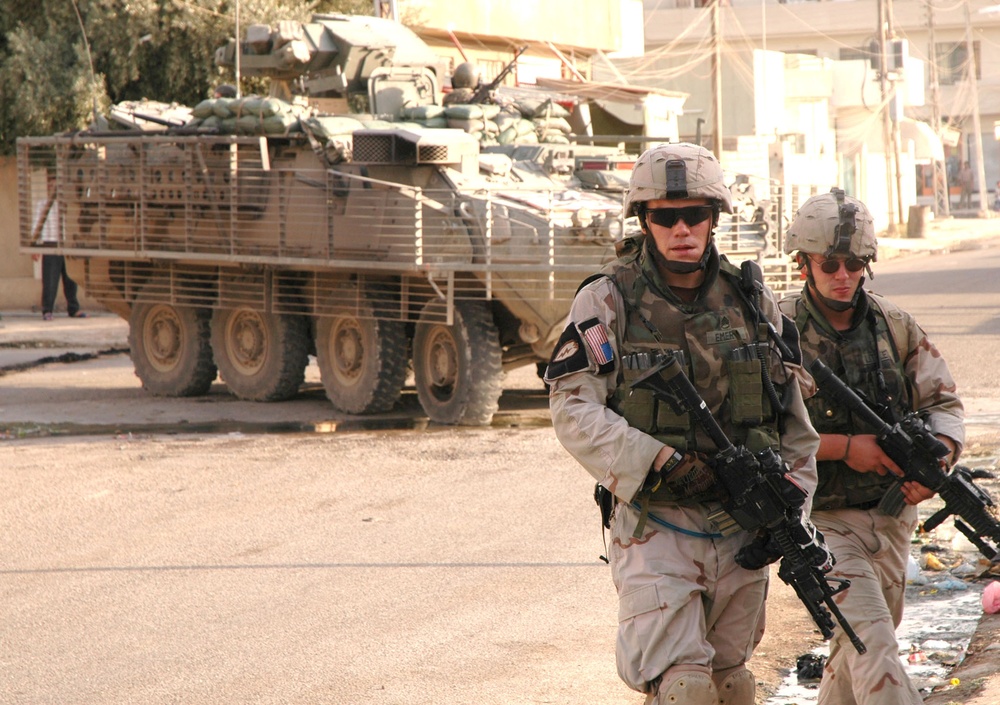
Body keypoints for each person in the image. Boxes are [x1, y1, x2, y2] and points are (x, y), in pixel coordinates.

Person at [546, 143, 821, 705]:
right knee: (685, 687)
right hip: (658, 526)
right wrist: (659, 461)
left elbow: (793, 419)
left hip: (742, 528)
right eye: (664, 216)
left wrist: (793, 505)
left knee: (732, 684)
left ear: (714, 217)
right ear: (644, 221)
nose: (681, 229)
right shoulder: (608, 299)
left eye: (694, 214)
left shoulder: (751, 299)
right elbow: (573, 408)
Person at [779, 189, 965, 705]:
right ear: (803, 264)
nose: (843, 275)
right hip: (821, 522)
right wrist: (841, 448)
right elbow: (751, 428)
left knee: (855, 648)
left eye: (855, 263)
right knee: (873, 643)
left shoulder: (895, 326)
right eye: (830, 263)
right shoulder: (776, 330)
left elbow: (943, 401)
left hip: (890, 519)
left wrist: (939, 456)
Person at [32, 173, 84, 320]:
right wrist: (35, 247)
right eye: (51, 185)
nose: (54, 188)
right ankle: (47, 310)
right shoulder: (43, 204)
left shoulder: (68, 204)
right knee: (50, 280)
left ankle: (73, 309)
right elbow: (37, 225)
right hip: (50, 244)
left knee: (71, 279)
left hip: (68, 244)